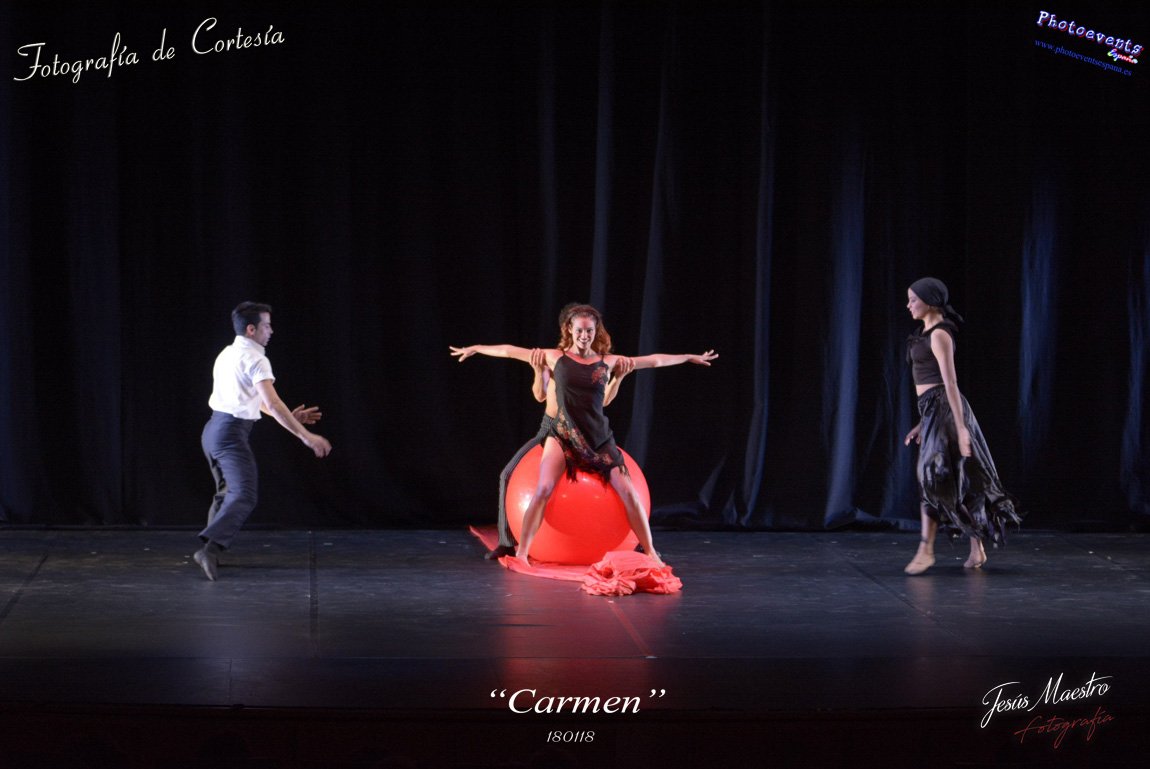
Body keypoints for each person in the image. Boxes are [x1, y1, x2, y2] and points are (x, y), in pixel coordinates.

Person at [451, 303, 717, 567]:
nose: (584, 335)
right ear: (570, 329)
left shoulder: (607, 361)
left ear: (595, 331)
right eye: (579, 330)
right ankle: (520, 552)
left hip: (597, 436)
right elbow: (509, 351)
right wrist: (476, 348)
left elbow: (654, 360)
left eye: (589, 331)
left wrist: (687, 356)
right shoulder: (554, 357)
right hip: (561, 433)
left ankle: (650, 552)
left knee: (629, 493)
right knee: (542, 488)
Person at [194, 302, 332, 581]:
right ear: (251, 329)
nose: (271, 331)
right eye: (266, 326)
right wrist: (306, 436)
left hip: (213, 432)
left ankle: (211, 551)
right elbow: (273, 403)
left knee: (226, 493)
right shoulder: (256, 359)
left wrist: (290, 418)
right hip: (230, 435)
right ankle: (209, 550)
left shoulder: (227, 353)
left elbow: (256, 402)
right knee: (244, 494)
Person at [902, 278, 1021, 575]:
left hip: (945, 409)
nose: (908, 305)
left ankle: (926, 549)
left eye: (913, 300)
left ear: (930, 301)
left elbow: (950, 384)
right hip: (933, 411)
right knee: (956, 480)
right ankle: (976, 547)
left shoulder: (940, 335)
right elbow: (931, 392)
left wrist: (962, 427)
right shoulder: (924, 334)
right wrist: (922, 423)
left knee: (931, 476)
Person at [485, 348, 634, 560]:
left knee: (621, 481)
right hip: (550, 429)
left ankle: (634, 542)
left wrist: (618, 378)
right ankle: (506, 543)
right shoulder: (556, 363)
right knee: (507, 474)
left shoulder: (592, 370)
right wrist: (537, 370)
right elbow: (537, 392)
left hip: (581, 431)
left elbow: (604, 401)